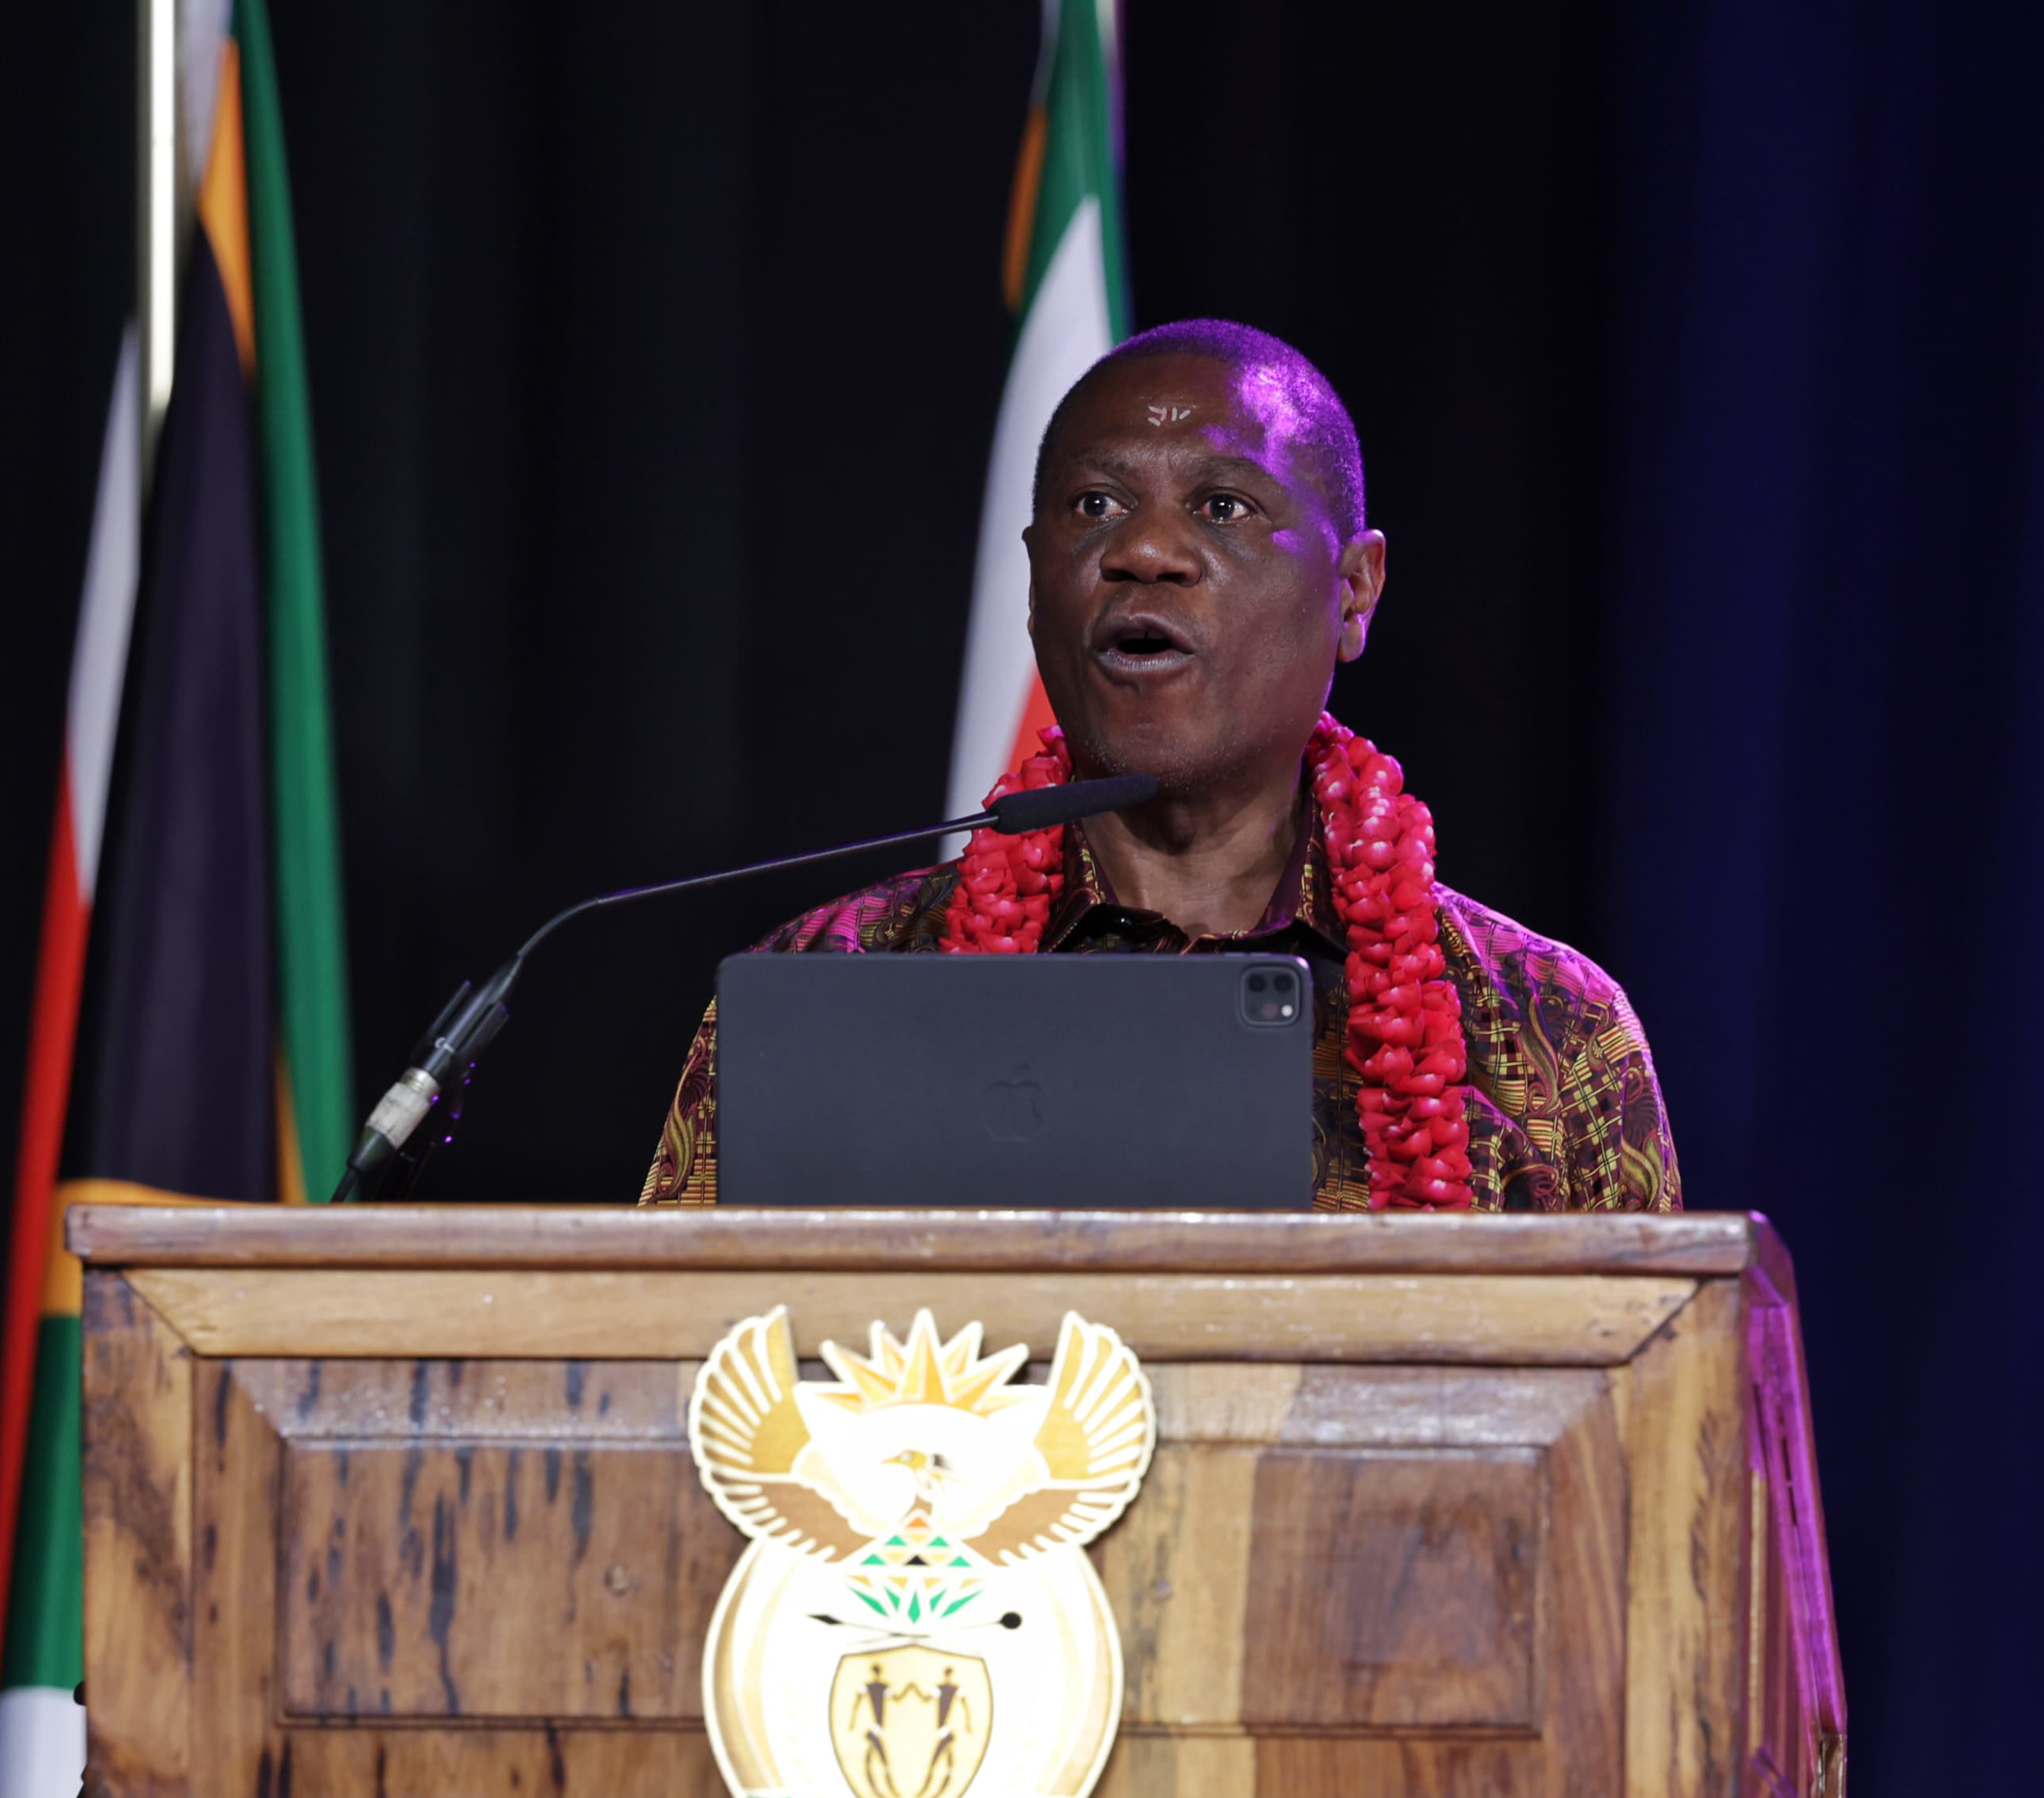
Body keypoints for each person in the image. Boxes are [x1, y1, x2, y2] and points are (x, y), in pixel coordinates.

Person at [640, 321, 1677, 1213]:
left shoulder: (1549, 1031)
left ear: (1355, 590)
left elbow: (1656, 1430)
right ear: (1037, 580)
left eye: (1222, 507)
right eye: (1095, 507)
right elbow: (673, 1390)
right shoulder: (833, 985)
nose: (1145, 551)